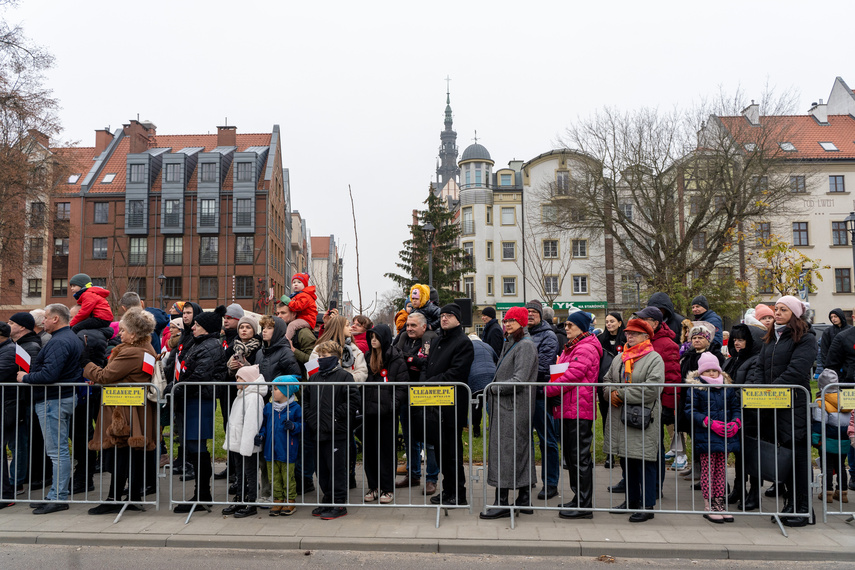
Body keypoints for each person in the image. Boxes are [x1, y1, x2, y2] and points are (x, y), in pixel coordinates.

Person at [82, 308, 159, 514]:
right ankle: (132, 496)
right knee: (131, 455)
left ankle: (114, 498)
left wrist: (86, 363)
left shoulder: (132, 352)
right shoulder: (146, 348)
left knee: (121, 453)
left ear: (134, 334)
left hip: (124, 408)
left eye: (123, 330)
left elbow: (105, 376)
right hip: (134, 407)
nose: (120, 334)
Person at [750, 295, 816, 527]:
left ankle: (804, 508)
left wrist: (771, 391)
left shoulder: (806, 338)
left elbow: (797, 370)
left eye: (783, 310)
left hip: (794, 405)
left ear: (795, 314)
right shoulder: (770, 338)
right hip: (773, 406)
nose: (777, 313)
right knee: (784, 457)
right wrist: (760, 390)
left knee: (798, 456)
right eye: (776, 309)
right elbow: (760, 366)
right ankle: (790, 503)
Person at [17, 304, 83, 514]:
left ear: (56, 319)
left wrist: (25, 377)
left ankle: (58, 496)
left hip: (53, 400)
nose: (42, 321)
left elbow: (49, 375)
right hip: (58, 399)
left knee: (57, 452)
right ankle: (55, 493)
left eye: (45, 317)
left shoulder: (60, 341)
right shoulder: (68, 337)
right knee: (58, 450)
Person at [603, 318, 664, 523]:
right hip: (623, 419)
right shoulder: (620, 357)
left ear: (646, 336)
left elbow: (652, 389)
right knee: (627, 460)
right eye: (628, 332)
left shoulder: (654, 358)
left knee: (645, 462)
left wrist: (620, 395)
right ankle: (631, 501)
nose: (629, 336)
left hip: (643, 419)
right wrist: (609, 393)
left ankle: (647, 506)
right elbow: (607, 380)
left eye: (635, 333)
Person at [169, 305, 228, 514]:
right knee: (193, 447)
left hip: (199, 401)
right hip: (191, 399)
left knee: (197, 448)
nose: (193, 326)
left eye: (197, 324)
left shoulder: (210, 346)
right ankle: (201, 494)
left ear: (206, 327)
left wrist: (176, 388)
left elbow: (199, 376)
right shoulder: (199, 343)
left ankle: (202, 495)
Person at [481, 306, 537, 519]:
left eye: (512, 321)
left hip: (513, 407)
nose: (507, 324)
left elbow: (519, 379)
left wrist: (493, 388)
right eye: (505, 321)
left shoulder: (525, 345)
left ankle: (502, 502)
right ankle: (524, 498)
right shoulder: (513, 341)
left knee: (505, 452)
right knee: (516, 450)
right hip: (509, 407)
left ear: (522, 322)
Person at [545, 310, 602, 520]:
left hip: (579, 409)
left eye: (570, 325)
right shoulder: (573, 346)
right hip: (569, 408)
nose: (566, 328)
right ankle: (578, 497)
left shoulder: (586, 347)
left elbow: (572, 375)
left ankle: (584, 503)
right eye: (566, 325)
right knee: (571, 457)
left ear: (581, 327)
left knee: (580, 458)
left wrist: (548, 390)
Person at [302, 340, 359, 520]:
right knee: (322, 469)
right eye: (319, 356)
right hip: (317, 430)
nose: (320, 359)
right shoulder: (315, 377)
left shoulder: (345, 377)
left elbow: (352, 401)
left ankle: (339, 502)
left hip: (337, 431)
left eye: (324, 356)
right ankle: (328, 498)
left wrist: (335, 416)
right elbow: (306, 400)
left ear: (335, 357)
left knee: (336, 468)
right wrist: (310, 417)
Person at [427, 303, 475, 507]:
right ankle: (448, 490)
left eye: (449, 316)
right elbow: (429, 366)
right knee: (440, 451)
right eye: (442, 315)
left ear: (458, 319)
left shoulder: (463, 342)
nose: (444, 318)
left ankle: (458, 493)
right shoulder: (439, 339)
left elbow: (456, 373)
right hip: (434, 402)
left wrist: (430, 382)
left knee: (452, 451)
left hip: (452, 404)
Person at [685, 352, 741, 523]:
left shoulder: (727, 386)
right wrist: (708, 422)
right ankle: (709, 503)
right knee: (708, 471)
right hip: (707, 436)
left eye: (714, 370)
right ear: (701, 372)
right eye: (707, 370)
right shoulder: (696, 387)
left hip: (725, 436)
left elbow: (736, 406)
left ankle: (719, 502)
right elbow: (690, 411)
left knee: (721, 471)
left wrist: (736, 422)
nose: (711, 373)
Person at [635, 306, 682, 490]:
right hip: (641, 402)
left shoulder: (667, 344)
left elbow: (672, 378)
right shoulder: (641, 340)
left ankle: (655, 486)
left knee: (655, 447)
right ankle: (636, 482)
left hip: (658, 404)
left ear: (655, 323)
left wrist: (669, 408)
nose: (640, 323)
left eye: (644, 320)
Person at [362, 324, 408, 504]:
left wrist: (392, 405)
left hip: (386, 414)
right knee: (370, 451)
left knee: (387, 451)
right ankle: (373, 486)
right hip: (368, 412)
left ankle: (387, 488)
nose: (373, 340)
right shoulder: (367, 357)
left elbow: (402, 386)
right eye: (371, 337)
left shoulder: (396, 359)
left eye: (377, 337)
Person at [394, 312, 439, 494]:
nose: (409, 328)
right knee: (409, 437)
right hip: (405, 393)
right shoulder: (403, 338)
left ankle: (431, 478)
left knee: (429, 439)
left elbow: (427, 363)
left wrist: (410, 359)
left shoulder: (432, 339)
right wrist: (412, 360)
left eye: (413, 325)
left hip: (425, 393)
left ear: (424, 326)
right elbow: (395, 358)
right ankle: (413, 475)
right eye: (408, 325)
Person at [723, 321, 766, 511]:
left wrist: (729, 398)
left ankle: (754, 494)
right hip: (736, 415)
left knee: (752, 457)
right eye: (735, 340)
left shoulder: (756, 360)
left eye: (741, 340)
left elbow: (749, 387)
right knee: (739, 455)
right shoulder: (734, 359)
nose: (737, 343)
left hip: (751, 417)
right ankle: (739, 488)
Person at [221, 364, 267, 519]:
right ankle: (240, 498)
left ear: (248, 380)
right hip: (238, 442)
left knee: (250, 473)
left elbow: (251, 424)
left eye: (240, 377)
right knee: (240, 472)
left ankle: (251, 501)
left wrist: (247, 446)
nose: (236, 380)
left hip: (246, 444)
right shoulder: (242, 394)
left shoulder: (254, 398)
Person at [525, 299, 560, 501]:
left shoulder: (549, 336)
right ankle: (528, 478)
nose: (530, 315)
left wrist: (520, 376)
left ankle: (551, 483)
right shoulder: (519, 334)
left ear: (540, 315)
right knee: (524, 439)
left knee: (547, 440)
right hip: (522, 395)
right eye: (527, 311)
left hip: (538, 395)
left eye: (534, 312)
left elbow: (544, 366)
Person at [257, 375, 302, 516]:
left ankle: (290, 500)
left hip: (287, 449)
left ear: (286, 391)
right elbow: (264, 424)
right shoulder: (269, 407)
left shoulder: (295, 408)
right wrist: (261, 434)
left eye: (276, 389)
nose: (272, 391)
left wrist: (294, 426)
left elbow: (302, 425)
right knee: (273, 477)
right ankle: (278, 500)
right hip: (271, 450)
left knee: (287, 476)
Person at [7, 313, 42, 492]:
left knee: (20, 443)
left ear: (22, 327)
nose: (8, 325)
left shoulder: (31, 346)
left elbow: (32, 375)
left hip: (24, 402)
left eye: (11, 322)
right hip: (17, 401)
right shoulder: (18, 345)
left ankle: (20, 481)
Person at [812, 370, 851, 504]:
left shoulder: (821, 401)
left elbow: (818, 423)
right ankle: (842, 492)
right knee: (841, 465)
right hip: (845, 439)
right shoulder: (846, 400)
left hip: (827, 440)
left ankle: (827, 492)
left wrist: (815, 440)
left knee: (827, 466)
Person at [467, 333, 497, 439]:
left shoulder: (467, 346)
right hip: (492, 377)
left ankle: (476, 430)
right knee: (493, 404)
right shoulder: (487, 346)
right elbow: (496, 359)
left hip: (475, 377)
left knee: (476, 406)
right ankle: (495, 428)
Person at [284, 273, 318, 342]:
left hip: (307, 319)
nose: (296, 284)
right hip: (302, 318)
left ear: (304, 285)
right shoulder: (297, 295)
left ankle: (285, 340)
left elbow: (298, 306)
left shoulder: (305, 295)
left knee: (292, 325)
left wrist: (288, 302)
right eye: (294, 282)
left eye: (299, 282)